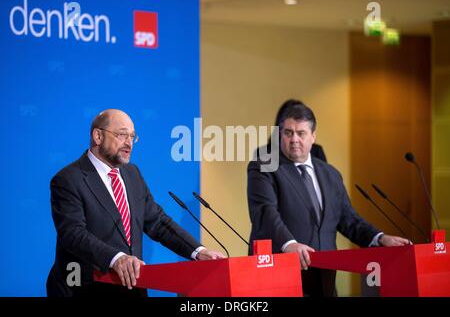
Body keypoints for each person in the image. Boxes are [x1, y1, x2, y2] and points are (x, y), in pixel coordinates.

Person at [47, 109, 225, 297]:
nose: (129, 143)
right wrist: (116, 258)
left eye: (133, 136)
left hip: (131, 287)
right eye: (122, 134)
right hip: (84, 288)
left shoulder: (132, 174)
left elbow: (157, 222)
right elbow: (72, 233)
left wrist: (198, 251)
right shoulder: (68, 179)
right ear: (98, 136)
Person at [247, 101, 410, 297]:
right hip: (280, 276)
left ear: (313, 136)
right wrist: (289, 244)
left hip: (324, 278)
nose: (294, 139)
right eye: (288, 133)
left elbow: (348, 219)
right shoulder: (265, 165)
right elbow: (265, 212)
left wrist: (380, 238)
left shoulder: (330, 173)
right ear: (280, 134)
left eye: (301, 133)